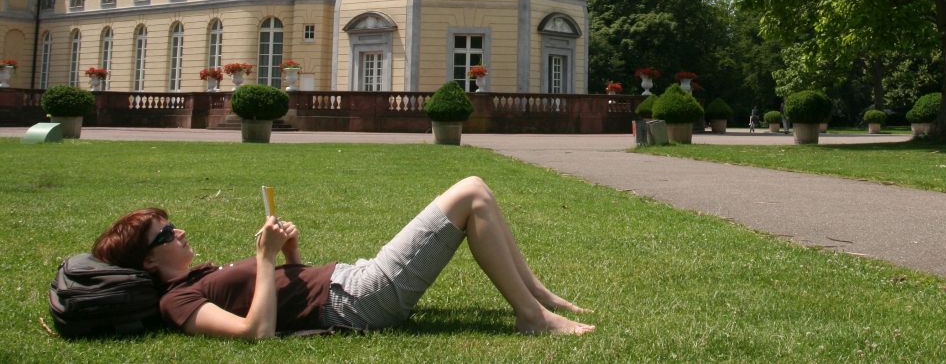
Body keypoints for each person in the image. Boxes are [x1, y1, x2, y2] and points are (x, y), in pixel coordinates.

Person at [91, 176, 594, 339]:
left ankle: (537, 295)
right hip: (359, 300)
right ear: (149, 264)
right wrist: (264, 261)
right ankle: (532, 315)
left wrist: (290, 255)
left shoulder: (197, 275)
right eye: (165, 236)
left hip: (351, 284)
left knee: (475, 190)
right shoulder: (176, 302)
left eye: (171, 225)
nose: (178, 232)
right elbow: (256, 333)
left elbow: (288, 298)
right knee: (470, 193)